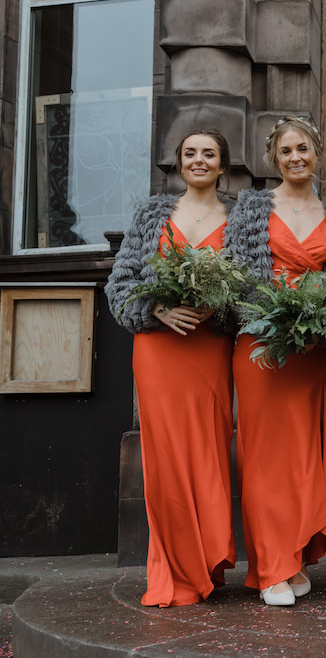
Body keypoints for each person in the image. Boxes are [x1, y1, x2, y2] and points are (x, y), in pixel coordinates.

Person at [105, 129, 236, 607]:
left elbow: (252, 289)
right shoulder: (151, 215)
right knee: (166, 463)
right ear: (179, 163)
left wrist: (217, 307)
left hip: (209, 350)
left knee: (208, 452)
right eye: (189, 154)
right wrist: (156, 309)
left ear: (223, 166)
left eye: (209, 154)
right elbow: (120, 285)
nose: (198, 160)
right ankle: (175, 573)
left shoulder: (241, 219)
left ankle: (207, 563)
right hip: (159, 352)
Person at [226, 117, 326, 606]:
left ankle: (294, 553)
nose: (295, 158)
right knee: (265, 458)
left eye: (303, 149)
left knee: (306, 456)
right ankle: (271, 565)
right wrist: (274, 308)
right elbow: (236, 272)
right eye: (286, 151)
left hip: (317, 350)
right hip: (263, 344)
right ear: (273, 158)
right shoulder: (252, 208)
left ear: (318, 151)